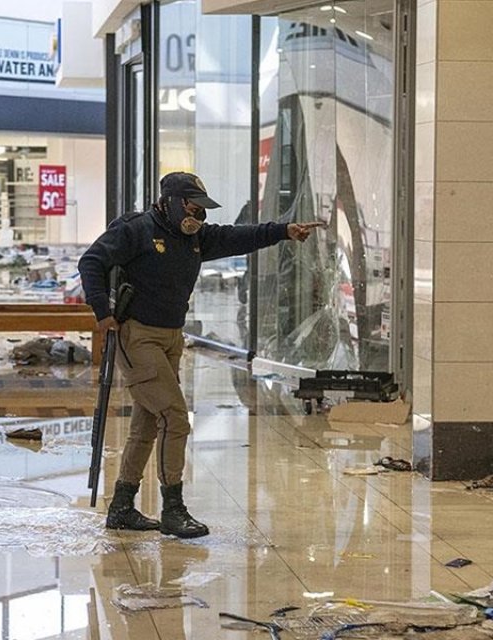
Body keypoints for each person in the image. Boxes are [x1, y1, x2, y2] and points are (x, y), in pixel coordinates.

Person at [78, 172, 322, 538]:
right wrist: (103, 312)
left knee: (147, 422)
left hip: (171, 337)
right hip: (137, 336)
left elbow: (240, 237)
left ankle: (122, 506)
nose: (198, 218)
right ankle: (173, 508)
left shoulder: (195, 238)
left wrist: (283, 231)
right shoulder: (137, 230)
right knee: (175, 418)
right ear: (172, 203)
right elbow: (91, 262)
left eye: (203, 211)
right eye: (192, 209)